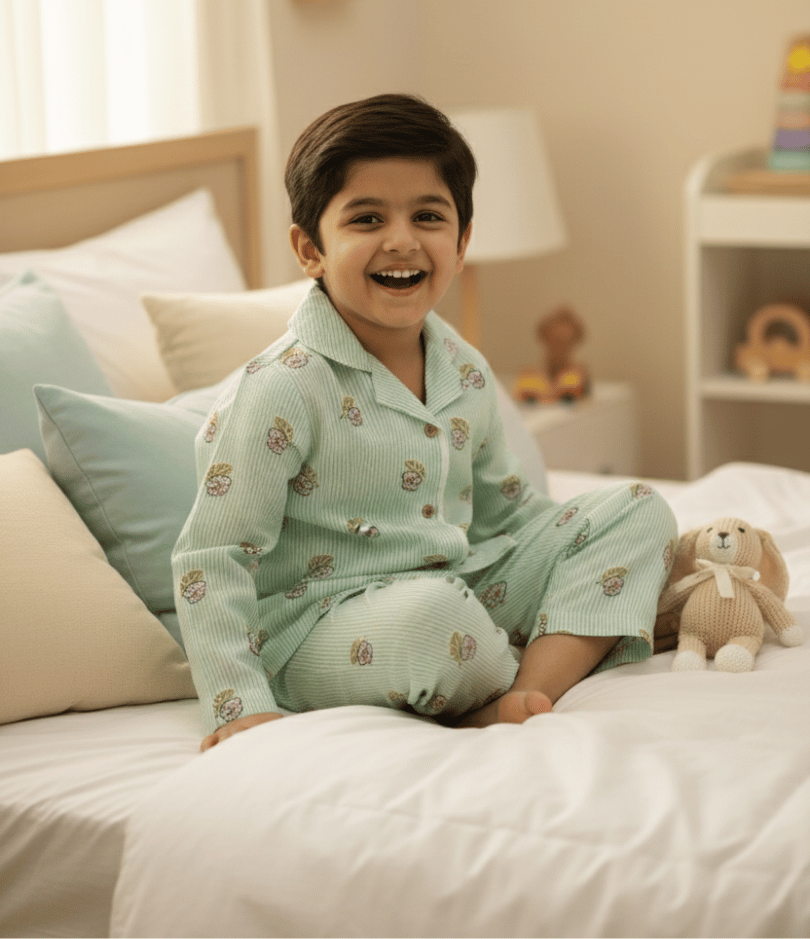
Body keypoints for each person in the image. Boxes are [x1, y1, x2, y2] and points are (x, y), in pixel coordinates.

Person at [172, 93, 677, 751]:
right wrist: (236, 706)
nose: (402, 239)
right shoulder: (281, 388)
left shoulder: (462, 367)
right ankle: (495, 687)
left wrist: (569, 552)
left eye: (428, 216)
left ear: (462, 241)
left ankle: (525, 690)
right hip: (317, 625)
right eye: (367, 218)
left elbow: (508, 517)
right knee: (435, 621)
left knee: (637, 507)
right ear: (309, 249)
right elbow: (211, 556)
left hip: (452, 583)